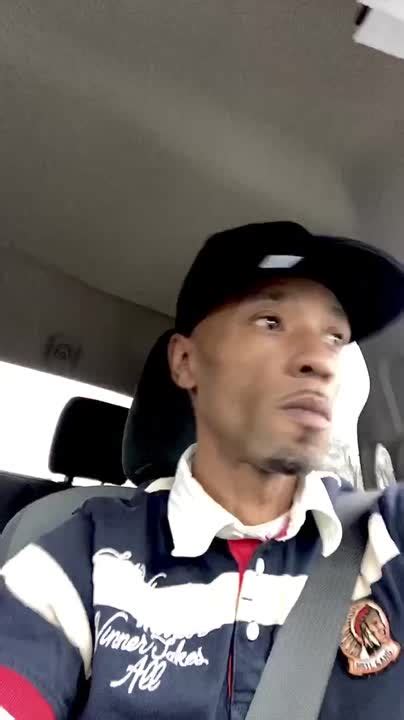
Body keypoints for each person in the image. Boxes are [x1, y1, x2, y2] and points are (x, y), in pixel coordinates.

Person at [0, 221, 404, 720]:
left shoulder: (387, 537)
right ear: (185, 361)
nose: (319, 360)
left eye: (335, 337)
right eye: (270, 321)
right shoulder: (81, 555)